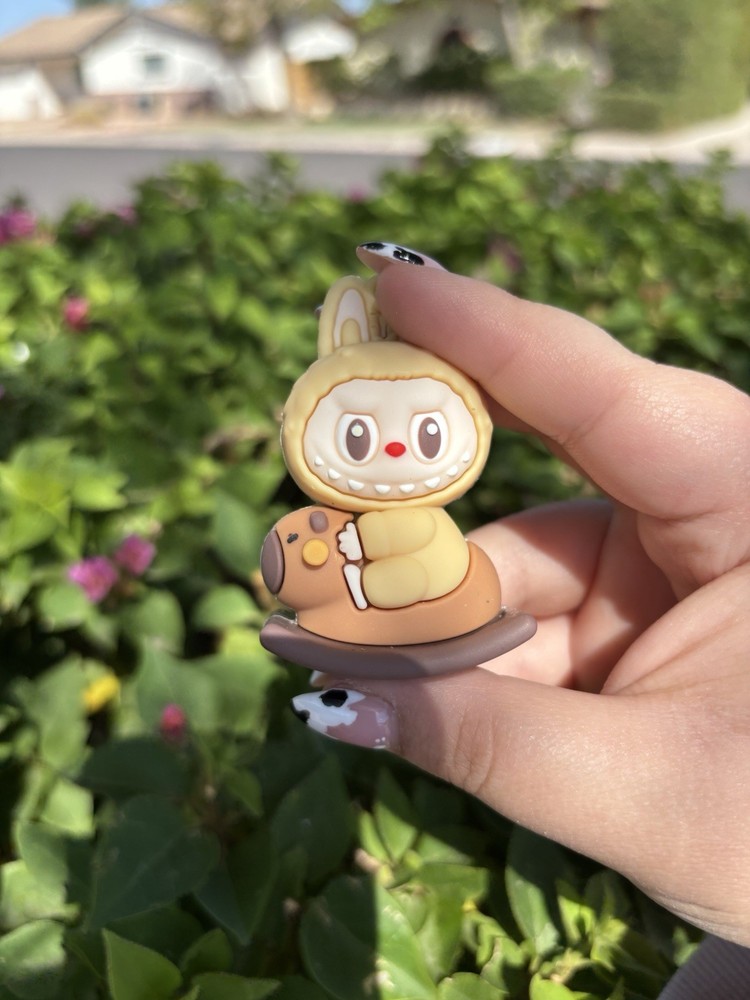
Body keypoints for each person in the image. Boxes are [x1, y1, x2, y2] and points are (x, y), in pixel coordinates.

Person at [291, 243, 750, 995]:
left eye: (426, 437)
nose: (397, 448)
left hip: (434, 590)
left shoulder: (427, 524)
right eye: (362, 439)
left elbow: (418, 565)